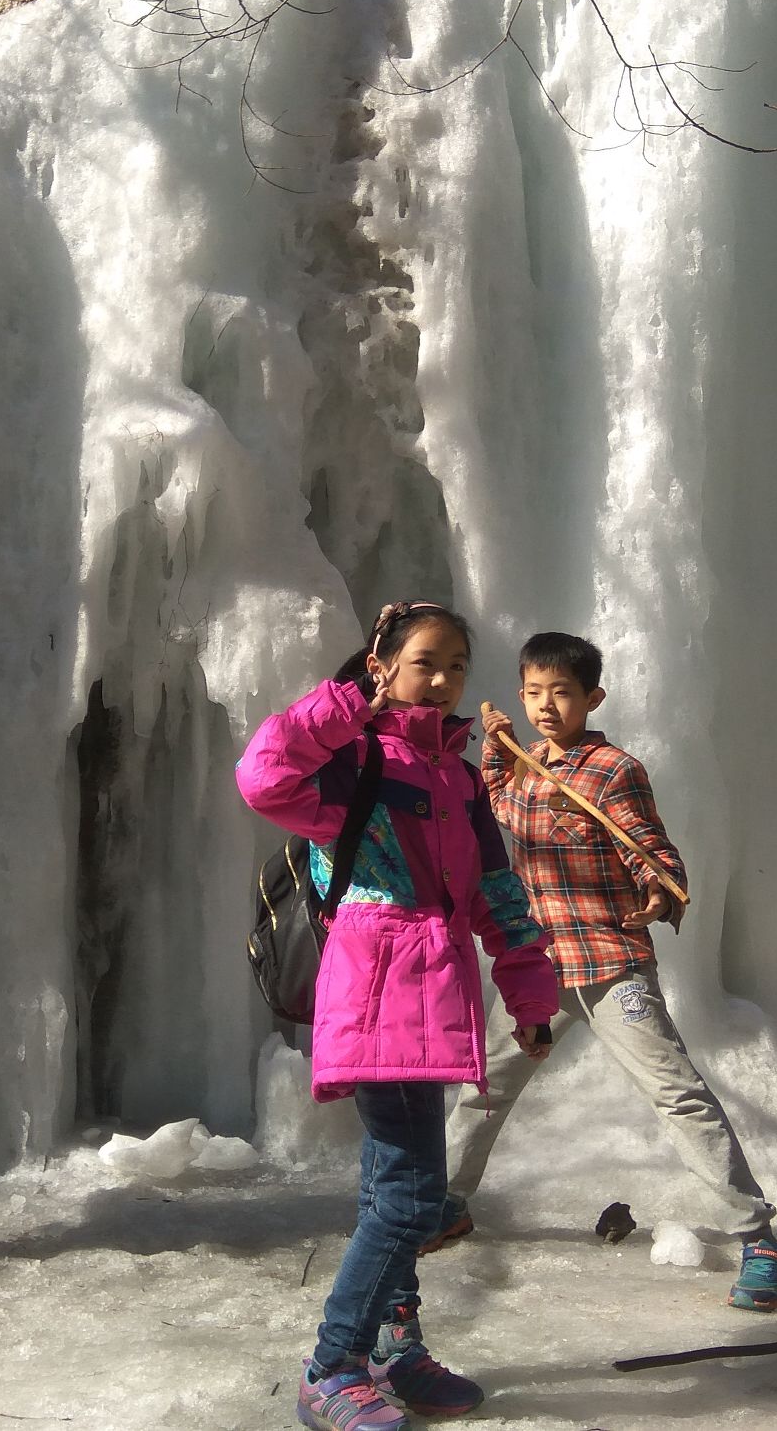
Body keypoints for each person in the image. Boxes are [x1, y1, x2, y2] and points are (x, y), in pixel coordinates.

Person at [238, 601, 560, 1430]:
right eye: (425, 661)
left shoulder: (456, 775)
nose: (445, 678)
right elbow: (264, 775)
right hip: (377, 990)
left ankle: (394, 1347)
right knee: (413, 1200)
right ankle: (331, 1365)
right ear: (380, 663)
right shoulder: (352, 764)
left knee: (393, 1188)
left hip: (439, 992)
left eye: (457, 662)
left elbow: (493, 887)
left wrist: (528, 989)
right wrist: (351, 702)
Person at [430, 629, 777, 1312]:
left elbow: (647, 844)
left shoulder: (612, 771)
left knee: (676, 1092)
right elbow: (486, 821)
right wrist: (490, 753)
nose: (546, 706)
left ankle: (760, 1240)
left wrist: (658, 884)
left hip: (608, 964)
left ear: (592, 698)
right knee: (485, 1086)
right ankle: (448, 1203)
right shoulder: (514, 767)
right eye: (534, 692)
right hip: (538, 970)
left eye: (562, 693)